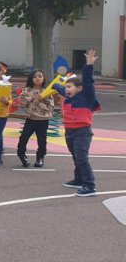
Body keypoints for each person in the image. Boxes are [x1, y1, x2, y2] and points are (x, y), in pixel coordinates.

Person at [54, 50, 101, 197]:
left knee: (81, 158)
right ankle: (79, 179)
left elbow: (88, 81)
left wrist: (89, 65)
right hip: (70, 132)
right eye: (66, 87)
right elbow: (60, 88)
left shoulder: (86, 97)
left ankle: (89, 186)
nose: (66, 89)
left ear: (79, 89)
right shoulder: (68, 97)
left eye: (70, 87)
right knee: (76, 157)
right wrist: (55, 85)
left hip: (82, 132)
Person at [16, 70, 57, 168]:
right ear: (31, 79)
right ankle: (22, 155)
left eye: (40, 76)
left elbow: (51, 108)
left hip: (43, 120)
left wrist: (40, 103)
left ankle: (40, 158)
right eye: (35, 77)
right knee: (23, 139)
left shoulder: (47, 91)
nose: (37, 78)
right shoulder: (27, 90)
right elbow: (21, 102)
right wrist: (31, 99)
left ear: (43, 79)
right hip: (30, 119)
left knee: (42, 140)